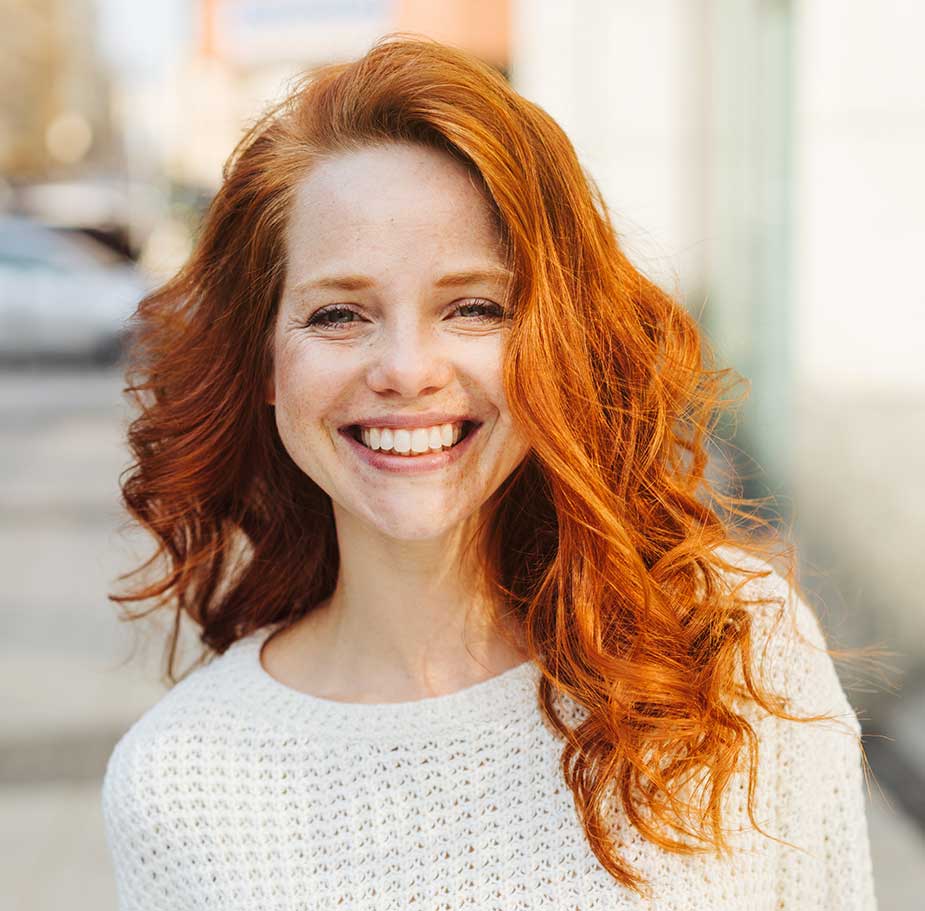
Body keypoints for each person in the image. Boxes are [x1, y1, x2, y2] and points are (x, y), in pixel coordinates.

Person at [101, 35, 877, 910]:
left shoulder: (735, 653)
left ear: (554, 341)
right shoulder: (180, 783)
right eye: (339, 313)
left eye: (472, 306)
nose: (405, 367)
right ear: (267, 365)